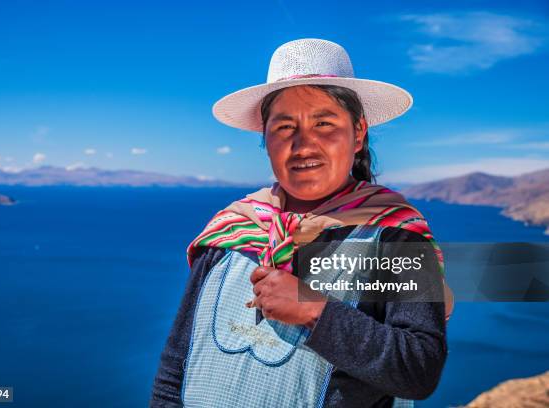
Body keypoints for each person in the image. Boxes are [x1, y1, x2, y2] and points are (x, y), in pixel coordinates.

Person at [151, 38, 454, 407]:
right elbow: (174, 372)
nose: (304, 144)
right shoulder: (229, 234)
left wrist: (314, 308)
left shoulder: (396, 237)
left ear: (357, 133)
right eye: (284, 127)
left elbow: (419, 367)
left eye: (324, 123)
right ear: (265, 139)